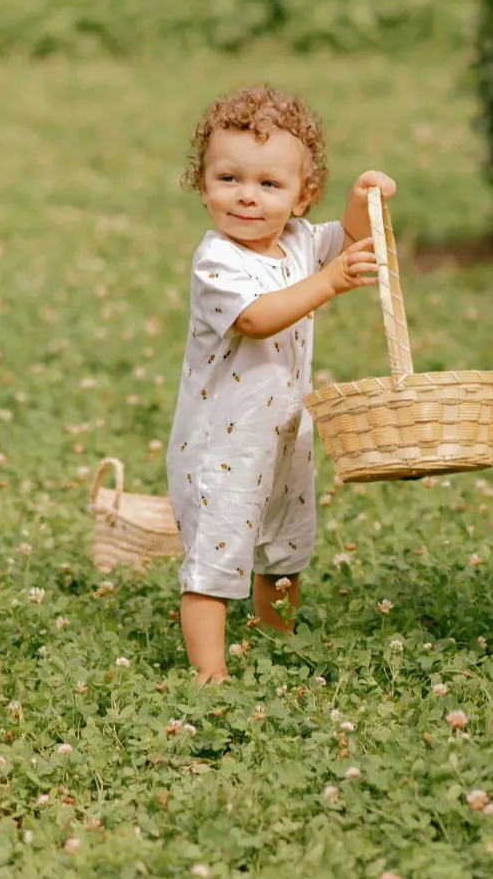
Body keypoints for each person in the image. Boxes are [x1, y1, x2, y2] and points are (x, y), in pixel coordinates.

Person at [167, 84, 396, 685]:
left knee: (285, 548)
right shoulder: (216, 260)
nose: (247, 196)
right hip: (224, 445)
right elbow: (258, 316)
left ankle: (277, 644)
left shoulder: (298, 240)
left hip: (285, 437)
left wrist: (358, 198)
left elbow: (343, 242)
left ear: (302, 196)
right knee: (215, 561)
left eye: (269, 185)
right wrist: (330, 283)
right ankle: (208, 676)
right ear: (204, 183)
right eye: (229, 178)